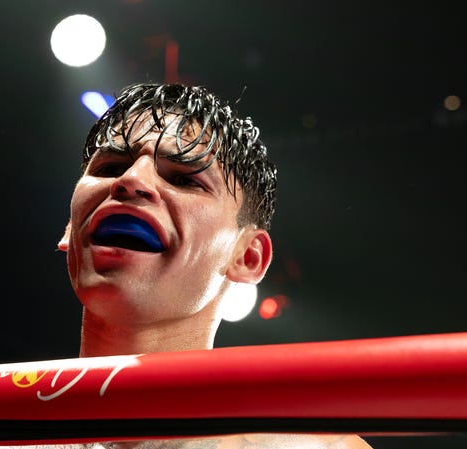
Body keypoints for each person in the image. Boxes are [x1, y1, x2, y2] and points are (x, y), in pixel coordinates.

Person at [51, 82, 374, 448]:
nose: (131, 181)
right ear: (69, 230)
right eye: (110, 166)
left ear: (247, 257)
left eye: (184, 179)